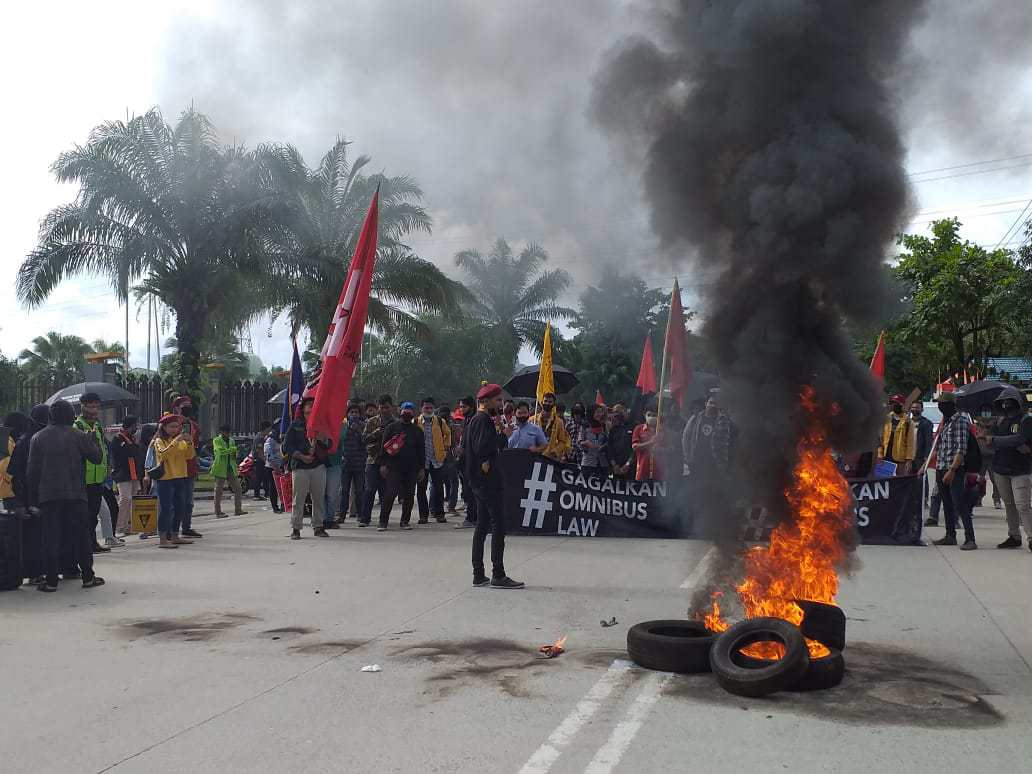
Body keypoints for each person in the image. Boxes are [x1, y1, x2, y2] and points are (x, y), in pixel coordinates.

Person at [28, 400, 105, 591]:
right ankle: (88, 576)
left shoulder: (37, 438)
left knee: (51, 538)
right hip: (76, 494)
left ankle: (51, 580)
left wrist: (33, 498)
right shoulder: (78, 435)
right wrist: (92, 440)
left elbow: (32, 472)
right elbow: (97, 458)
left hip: (49, 495)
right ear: (71, 416)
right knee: (81, 537)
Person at [466, 383, 523, 589]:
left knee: (482, 526)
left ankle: (478, 574)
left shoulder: (479, 420)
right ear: (485, 401)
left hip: (479, 481)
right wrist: (502, 436)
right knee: (498, 525)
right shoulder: (482, 420)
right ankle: (498, 574)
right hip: (487, 482)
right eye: (497, 400)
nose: (500, 403)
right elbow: (482, 448)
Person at [982, 386, 1032, 551]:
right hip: (1001, 468)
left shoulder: (1026, 420)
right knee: (1009, 504)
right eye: (1003, 403)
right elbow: (990, 442)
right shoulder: (999, 421)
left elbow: (1020, 439)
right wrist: (988, 435)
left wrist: (996, 440)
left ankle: (1031, 536)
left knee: (1022, 505)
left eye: (1009, 402)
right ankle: (1014, 536)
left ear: (1018, 402)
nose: (1006, 406)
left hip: (1021, 470)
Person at [931, 390, 976, 550]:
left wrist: (952, 470)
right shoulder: (947, 421)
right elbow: (942, 446)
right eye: (939, 404)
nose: (940, 406)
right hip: (941, 467)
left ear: (951, 405)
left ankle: (970, 539)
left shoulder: (960, 421)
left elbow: (961, 449)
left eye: (943, 404)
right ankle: (950, 536)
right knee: (947, 504)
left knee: (960, 504)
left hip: (953, 470)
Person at [282, 397, 330, 540]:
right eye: (307, 410)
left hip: (318, 466)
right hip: (300, 467)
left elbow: (330, 445)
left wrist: (323, 439)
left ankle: (318, 526)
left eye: (312, 409)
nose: (310, 412)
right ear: (303, 410)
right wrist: (302, 456)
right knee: (299, 499)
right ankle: (296, 528)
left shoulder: (321, 425)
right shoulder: (295, 425)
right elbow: (287, 446)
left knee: (318, 498)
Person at [73, 392, 115, 552]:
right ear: (82, 406)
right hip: (84, 478)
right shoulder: (77, 426)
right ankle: (85, 545)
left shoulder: (97, 426)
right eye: (91, 406)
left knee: (93, 515)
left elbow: (103, 448)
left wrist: (108, 468)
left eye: (97, 406)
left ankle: (92, 543)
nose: (94, 410)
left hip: (98, 478)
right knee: (85, 516)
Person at [376, 401, 425, 531]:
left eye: (410, 411)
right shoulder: (391, 428)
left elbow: (421, 451)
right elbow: (383, 448)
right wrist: (383, 465)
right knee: (390, 494)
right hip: (393, 466)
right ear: (400, 411)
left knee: (409, 495)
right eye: (405, 411)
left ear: (413, 413)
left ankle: (405, 521)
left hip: (411, 468)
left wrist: (422, 469)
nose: (407, 413)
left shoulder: (418, 431)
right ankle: (383, 522)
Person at [151, 413, 196, 549]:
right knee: (166, 508)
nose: (175, 429)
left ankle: (175, 535)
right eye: (171, 426)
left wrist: (189, 442)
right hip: (166, 478)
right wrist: (175, 441)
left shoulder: (181, 441)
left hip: (180, 476)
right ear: (163, 427)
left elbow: (190, 456)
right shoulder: (159, 441)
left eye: (177, 426)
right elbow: (163, 454)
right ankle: (163, 539)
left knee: (180, 507)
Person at [171, 396, 203, 539]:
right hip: (174, 467)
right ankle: (172, 529)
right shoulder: (170, 423)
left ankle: (186, 527)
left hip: (189, 466)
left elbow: (195, 447)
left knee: (188, 501)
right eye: (184, 405)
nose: (187, 407)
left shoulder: (194, 426)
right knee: (174, 501)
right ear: (177, 408)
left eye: (189, 405)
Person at [416, 396, 452, 524]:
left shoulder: (440, 421)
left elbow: (448, 433)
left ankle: (440, 514)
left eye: (431, 407)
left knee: (438, 488)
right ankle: (423, 515)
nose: (428, 409)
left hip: (437, 459)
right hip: (421, 461)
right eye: (426, 407)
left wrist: (446, 447)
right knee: (421, 489)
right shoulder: (416, 422)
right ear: (421, 408)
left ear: (434, 408)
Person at [361, 395, 395, 527]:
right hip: (372, 460)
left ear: (391, 407)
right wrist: (377, 432)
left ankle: (383, 520)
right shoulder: (372, 422)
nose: (384, 410)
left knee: (386, 492)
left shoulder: (396, 423)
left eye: (387, 407)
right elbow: (364, 439)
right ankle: (365, 518)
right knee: (369, 490)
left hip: (389, 461)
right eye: (382, 407)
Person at [110, 415, 145, 538]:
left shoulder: (132, 439)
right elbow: (127, 452)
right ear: (130, 426)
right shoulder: (118, 439)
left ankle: (130, 525)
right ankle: (120, 526)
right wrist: (131, 446)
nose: (136, 428)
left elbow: (137, 452)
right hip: (123, 473)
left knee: (133, 499)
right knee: (125, 499)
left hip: (134, 473)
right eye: (135, 425)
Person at [338, 401, 367, 523]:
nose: (354, 415)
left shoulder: (364, 426)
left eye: (356, 412)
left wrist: (359, 431)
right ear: (347, 414)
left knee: (359, 491)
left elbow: (366, 441)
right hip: (345, 464)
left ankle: (361, 515)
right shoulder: (343, 426)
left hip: (359, 464)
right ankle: (342, 515)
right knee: (344, 491)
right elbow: (339, 443)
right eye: (351, 412)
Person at [212, 423, 247, 518]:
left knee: (238, 489)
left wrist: (235, 451)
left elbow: (233, 455)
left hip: (230, 468)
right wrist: (233, 449)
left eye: (228, 432)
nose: (227, 434)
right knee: (218, 491)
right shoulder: (217, 440)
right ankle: (218, 512)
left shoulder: (231, 441)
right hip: (220, 468)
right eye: (225, 432)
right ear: (221, 432)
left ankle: (238, 510)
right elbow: (220, 452)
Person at [454, 396, 478, 529]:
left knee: (471, 492)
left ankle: (472, 518)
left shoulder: (475, 420)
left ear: (472, 407)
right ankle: (471, 517)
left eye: (464, 407)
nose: (462, 409)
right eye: (461, 407)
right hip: (464, 461)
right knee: (467, 491)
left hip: (472, 461)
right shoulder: (466, 421)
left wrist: (464, 450)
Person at [878, 394, 916, 475]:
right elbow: (881, 438)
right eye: (893, 403)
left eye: (896, 404)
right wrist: (879, 454)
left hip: (900, 460)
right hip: (885, 458)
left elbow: (910, 443)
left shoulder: (908, 422)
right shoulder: (886, 419)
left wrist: (909, 460)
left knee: (898, 482)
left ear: (902, 405)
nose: (894, 406)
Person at [532, 392, 571, 463]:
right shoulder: (532, 420)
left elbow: (562, 441)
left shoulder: (559, 422)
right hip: (534, 457)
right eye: (545, 401)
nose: (547, 404)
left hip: (550, 458)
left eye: (550, 402)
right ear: (541, 402)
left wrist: (555, 451)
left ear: (554, 404)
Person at [439, 405, 460, 516]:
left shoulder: (435, 426)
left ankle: (434, 508)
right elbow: (454, 442)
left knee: (436, 483)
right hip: (449, 457)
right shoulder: (450, 427)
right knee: (453, 482)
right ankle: (451, 506)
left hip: (438, 457)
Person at [577, 404, 609, 478]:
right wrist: (586, 443)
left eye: (601, 412)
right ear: (591, 413)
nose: (599, 414)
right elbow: (579, 442)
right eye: (597, 412)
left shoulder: (604, 426)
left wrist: (602, 447)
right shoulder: (585, 426)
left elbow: (608, 441)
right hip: (588, 462)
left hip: (602, 463)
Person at [632, 408, 662, 481]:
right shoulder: (638, 429)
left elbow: (671, 448)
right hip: (642, 471)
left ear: (658, 416)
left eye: (654, 415)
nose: (651, 417)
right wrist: (651, 442)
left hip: (660, 472)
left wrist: (660, 449)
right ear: (644, 415)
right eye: (649, 415)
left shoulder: (663, 430)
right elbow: (635, 446)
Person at [608, 403, 634, 480]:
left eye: (619, 411)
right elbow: (609, 448)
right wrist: (614, 465)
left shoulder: (634, 426)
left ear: (625, 411)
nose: (616, 414)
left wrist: (628, 464)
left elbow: (635, 449)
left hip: (630, 468)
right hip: (617, 469)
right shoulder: (613, 429)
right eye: (615, 412)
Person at [264, 427, 287, 514]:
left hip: (281, 466)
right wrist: (276, 467)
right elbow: (269, 456)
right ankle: (275, 507)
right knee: (273, 487)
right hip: (271, 467)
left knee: (282, 487)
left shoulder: (281, 439)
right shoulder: (270, 440)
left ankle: (283, 505)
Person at [252, 420, 273, 503]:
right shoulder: (259, 437)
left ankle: (267, 493)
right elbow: (259, 452)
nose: (270, 430)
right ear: (266, 428)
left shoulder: (264, 437)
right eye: (269, 429)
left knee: (265, 477)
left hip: (263, 460)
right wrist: (266, 461)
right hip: (259, 461)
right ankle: (256, 495)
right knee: (259, 477)